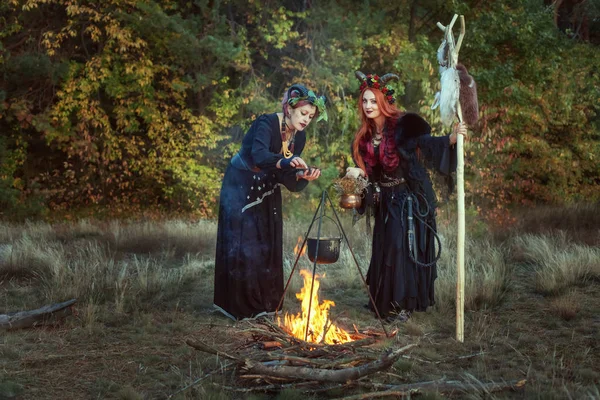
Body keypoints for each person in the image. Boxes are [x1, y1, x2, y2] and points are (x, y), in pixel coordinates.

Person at [346, 71, 467, 322]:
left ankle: (403, 305)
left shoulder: (402, 127)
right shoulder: (364, 138)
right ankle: (385, 301)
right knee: (385, 248)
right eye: (364, 101)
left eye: (373, 101)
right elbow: (369, 175)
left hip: (408, 199)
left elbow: (427, 144)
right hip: (385, 201)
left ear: (383, 102)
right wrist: (356, 175)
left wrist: (452, 138)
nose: (368, 106)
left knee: (401, 248)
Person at [214, 84, 327, 321]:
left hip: (267, 189)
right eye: (303, 114)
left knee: (268, 241)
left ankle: (265, 304)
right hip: (241, 186)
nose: (306, 120)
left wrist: (301, 176)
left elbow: (286, 178)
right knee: (245, 244)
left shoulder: (300, 136)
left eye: (311, 116)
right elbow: (260, 156)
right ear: (288, 108)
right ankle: (241, 306)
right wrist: (289, 163)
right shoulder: (266, 123)